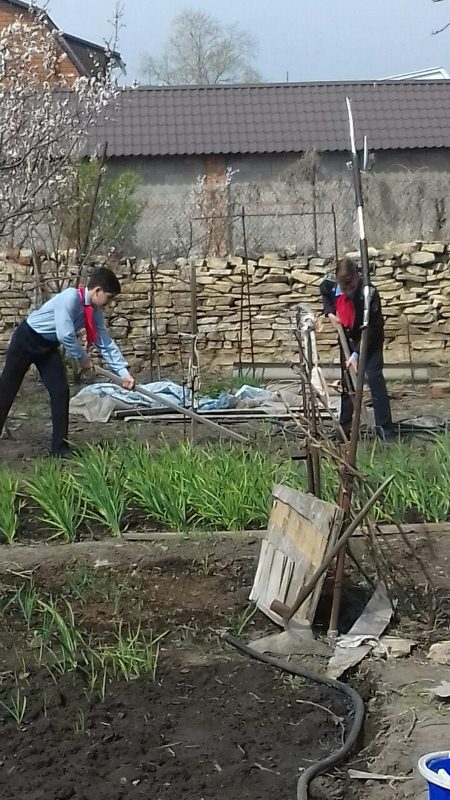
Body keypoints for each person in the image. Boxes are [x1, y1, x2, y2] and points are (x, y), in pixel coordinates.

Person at [0, 266, 135, 458]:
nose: (110, 302)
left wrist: (123, 373)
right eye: (109, 297)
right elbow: (65, 334)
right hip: (26, 339)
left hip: (47, 347)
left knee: (61, 391)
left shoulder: (94, 311)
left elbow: (104, 341)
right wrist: (82, 358)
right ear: (97, 291)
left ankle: (60, 449)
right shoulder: (70, 297)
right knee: (7, 389)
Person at [320, 257, 394, 441]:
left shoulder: (369, 293)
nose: (348, 292)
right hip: (347, 336)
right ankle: (345, 430)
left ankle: (385, 432)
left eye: (351, 287)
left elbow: (373, 328)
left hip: (370, 339)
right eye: (344, 288)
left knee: (375, 380)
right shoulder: (330, 284)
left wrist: (357, 354)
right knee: (348, 384)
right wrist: (330, 313)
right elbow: (324, 291)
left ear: (356, 277)